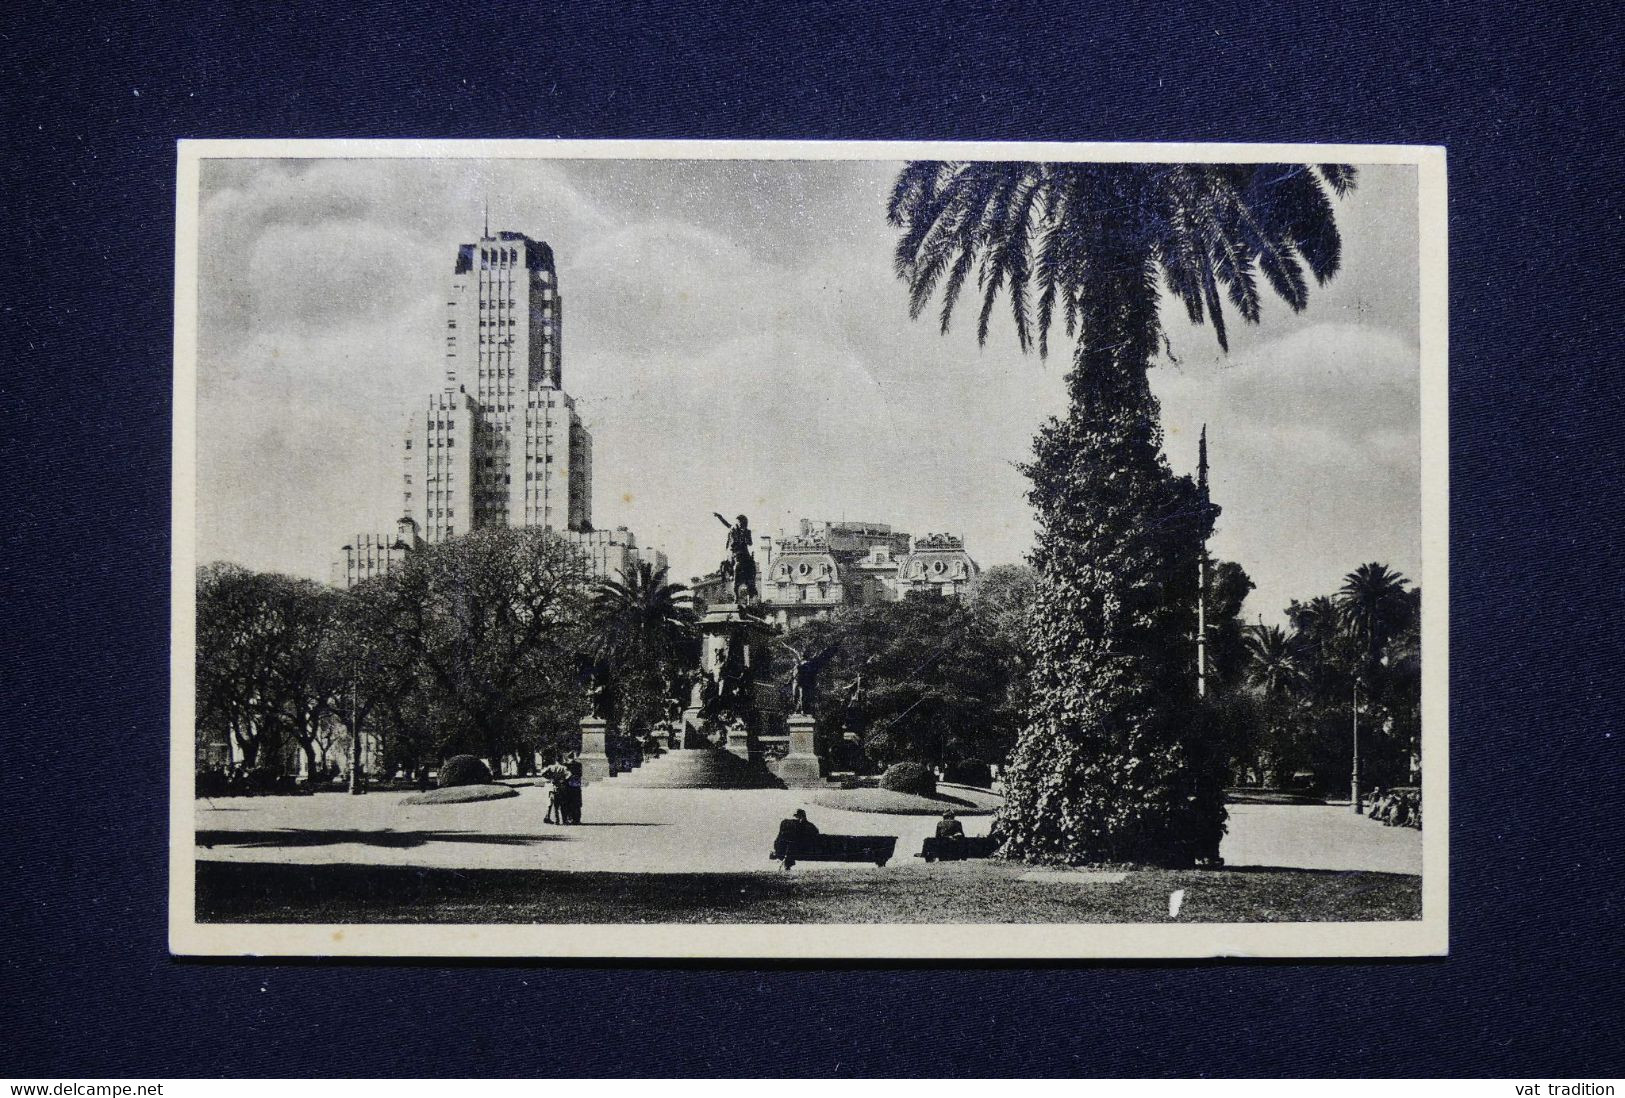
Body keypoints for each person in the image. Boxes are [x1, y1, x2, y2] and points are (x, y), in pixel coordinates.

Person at [538, 756, 570, 824]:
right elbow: (569, 774)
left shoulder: (551, 767)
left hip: (552, 787)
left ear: (555, 760)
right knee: (562, 805)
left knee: (555, 805)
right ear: (561, 760)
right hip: (561, 787)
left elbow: (542, 773)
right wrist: (563, 780)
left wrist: (549, 778)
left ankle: (556, 820)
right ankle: (564, 820)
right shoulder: (563, 768)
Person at [563, 756, 584, 825]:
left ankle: (571, 818)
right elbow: (580, 774)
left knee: (569, 803)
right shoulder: (578, 764)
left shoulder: (565, 765)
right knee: (576, 804)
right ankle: (576, 819)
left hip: (569, 786)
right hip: (575, 786)